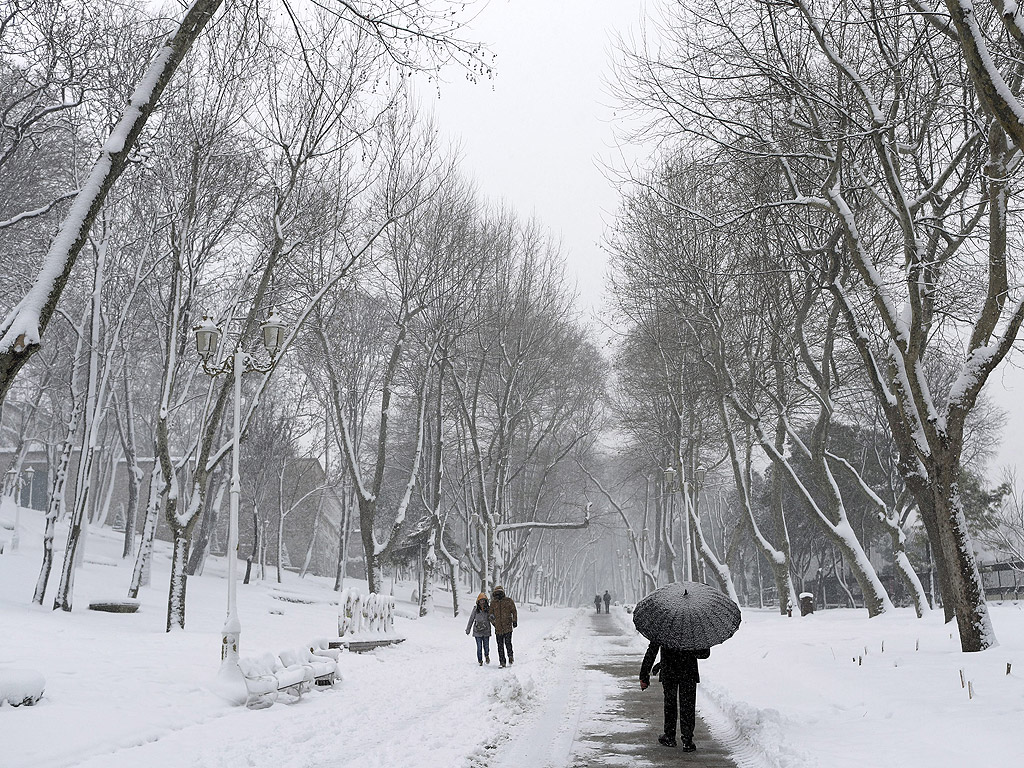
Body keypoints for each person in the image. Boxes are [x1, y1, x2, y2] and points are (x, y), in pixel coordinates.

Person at [639, 642, 711, 752]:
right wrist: (689, 650)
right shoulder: (693, 628)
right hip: (688, 671)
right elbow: (704, 653)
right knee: (688, 705)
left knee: (670, 703)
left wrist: (644, 675)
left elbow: (652, 650)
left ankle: (669, 736)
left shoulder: (664, 626)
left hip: (669, 670)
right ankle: (687, 740)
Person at [489, 585, 517, 668]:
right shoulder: (493, 603)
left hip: (508, 627)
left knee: (508, 643)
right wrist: (494, 623)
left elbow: (514, 611)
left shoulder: (508, 601)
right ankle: (502, 661)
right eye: (496, 593)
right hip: (498, 628)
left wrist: (514, 621)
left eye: (499, 593)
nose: (498, 594)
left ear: (502, 593)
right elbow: (490, 614)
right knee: (500, 645)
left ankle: (510, 656)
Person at [465, 593, 492, 666]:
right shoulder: (475, 609)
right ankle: (480, 660)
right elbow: (471, 619)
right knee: (479, 647)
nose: (482, 602)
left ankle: (487, 656)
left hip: (486, 631)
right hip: (477, 631)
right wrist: (468, 629)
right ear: (478, 601)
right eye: (481, 601)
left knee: (486, 646)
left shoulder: (489, 609)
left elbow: (492, 619)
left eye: (483, 600)